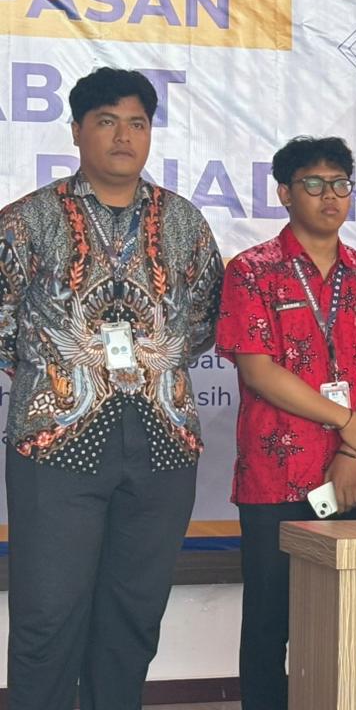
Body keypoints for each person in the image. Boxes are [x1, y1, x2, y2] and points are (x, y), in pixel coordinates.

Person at [0, 68, 223, 710]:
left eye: (137, 123)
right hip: (56, 445)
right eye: (106, 121)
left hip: (162, 445)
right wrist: (60, 374)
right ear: (76, 131)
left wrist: (150, 369)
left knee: (133, 616)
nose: (124, 136)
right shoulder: (27, 221)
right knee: (47, 617)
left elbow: (203, 319)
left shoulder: (184, 222)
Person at [216, 136, 356, 709]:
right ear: (285, 193)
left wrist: (352, 449)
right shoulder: (252, 271)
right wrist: (346, 422)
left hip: (353, 476)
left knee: (349, 618)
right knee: (269, 620)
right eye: (313, 184)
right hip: (275, 476)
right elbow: (258, 370)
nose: (330, 196)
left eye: (340, 184)